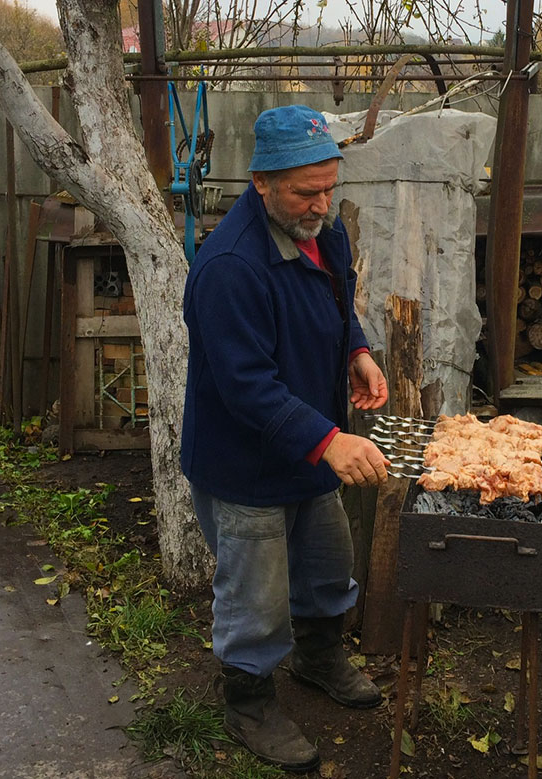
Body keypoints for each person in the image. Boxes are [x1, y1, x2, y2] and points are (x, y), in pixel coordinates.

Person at [180, 104, 391, 773]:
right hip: (245, 461)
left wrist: (356, 350)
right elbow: (246, 386)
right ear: (261, 182)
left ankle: (320, 655)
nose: (322, 203)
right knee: (257, 592)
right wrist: (329, 441)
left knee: (328, 563)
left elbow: (338, 302)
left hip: (306, 441)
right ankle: (248, 698)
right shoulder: (229, 267)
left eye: (330, 186)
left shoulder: (325, 233)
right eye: (306, 191)